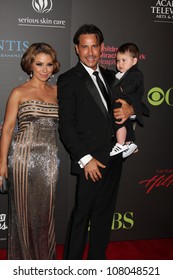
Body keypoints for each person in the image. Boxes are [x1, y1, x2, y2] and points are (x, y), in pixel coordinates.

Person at [57, 24, 139, 260]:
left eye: (95, 46)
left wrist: (131, 114)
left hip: (114, 157)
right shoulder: (69, 80)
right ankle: (71, 266)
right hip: (90, 161)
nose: (90, 52)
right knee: (82, 215)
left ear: (103, 48)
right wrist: (85, 160)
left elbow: (124, 114)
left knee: (104, 215)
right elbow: (67, 126)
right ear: (77, 48)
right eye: (85, 46)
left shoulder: (113, 76)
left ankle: (97, 264)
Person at [0, 42, 60, 259]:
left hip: (49, 160)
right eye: (39, 64)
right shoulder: (19, 92)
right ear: (30, 65)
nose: (44, 69)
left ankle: (44, 262)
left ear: (54, 66)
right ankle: (23, 263)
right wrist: (2, 166)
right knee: (22, 215)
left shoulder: (58, 91)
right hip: (22, 158)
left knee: (45, 214)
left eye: (49, 64)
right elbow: (7, 129)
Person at [110, 42, 149, 158]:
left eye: (123, 60)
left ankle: (120, 143)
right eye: (118, 61)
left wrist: (120, 90)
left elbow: (131, 86)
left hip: (129, 101)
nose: (119, 64)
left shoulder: (136, 74)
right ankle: (130, 143)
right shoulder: (119, 75)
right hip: (124, 101)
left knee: (118, 120)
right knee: (125, 123)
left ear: (134, 61)